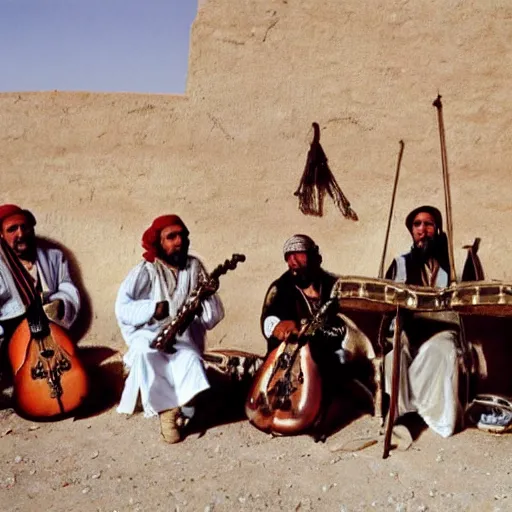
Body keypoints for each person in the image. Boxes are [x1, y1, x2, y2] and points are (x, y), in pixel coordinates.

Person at [115, 214, 224, 444]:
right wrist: (152, 309)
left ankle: (182, 408)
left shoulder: (194, 267)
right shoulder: (147, 270)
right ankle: (166, 412)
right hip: (148, 333)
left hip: (182, 335)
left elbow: (211, 318)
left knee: (190, 361)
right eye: (171, 237)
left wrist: (206, 298)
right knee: (148, 354)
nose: (179, 241)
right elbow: (123, 307)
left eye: (182, 236)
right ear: (159, 243)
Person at [260, 234, 375, 435]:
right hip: (293, 352)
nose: (293, 261)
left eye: (299, 254)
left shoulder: (333, 284)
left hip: (331, 345)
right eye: (289, 256)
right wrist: (278, 326)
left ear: (314, 257)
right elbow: (269, 318)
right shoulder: (281, 287)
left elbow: (346, 318)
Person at [384, 205, 464, 438]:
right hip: (408, 328)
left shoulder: (451, 267)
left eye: (428, 224)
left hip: (441, 330)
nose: (423, 230)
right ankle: (402, 414)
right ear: (411, 231)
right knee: (393, 357)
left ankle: (431, 413)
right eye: (417, 225)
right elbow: (386, 302)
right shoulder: (399, 264)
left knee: (440, 350)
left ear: (436, 229)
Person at [0, 204, 81, 360]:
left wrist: (60, 302)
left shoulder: (54, 256)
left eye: (25, 227)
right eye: (12, 229)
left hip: (51, 330)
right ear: (1, 235)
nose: (21, 233)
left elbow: (66, 285)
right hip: (13, 338)